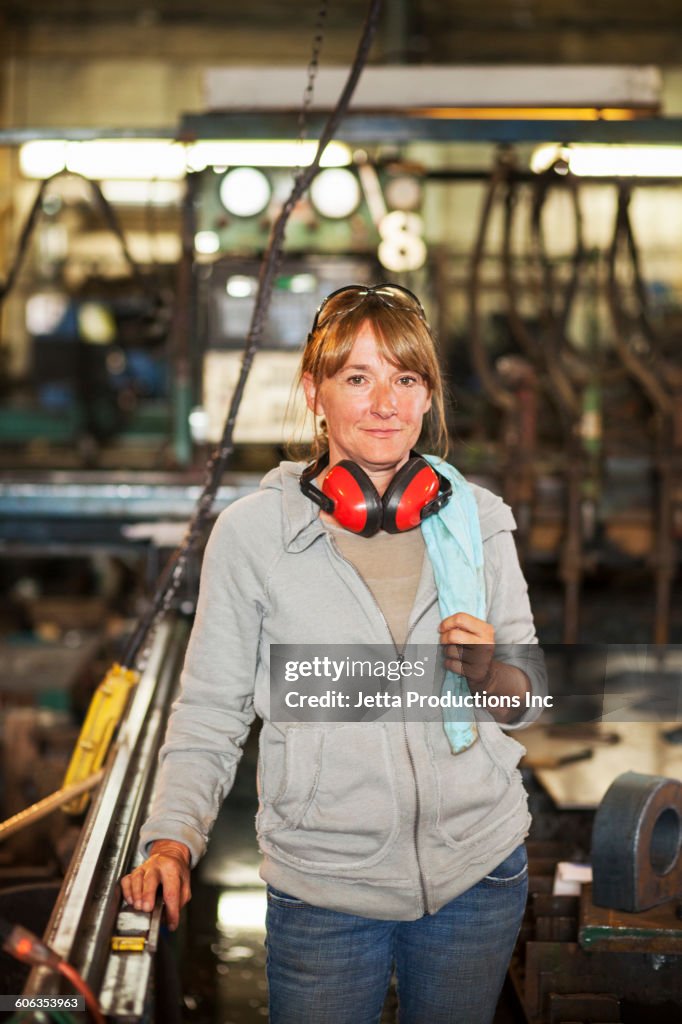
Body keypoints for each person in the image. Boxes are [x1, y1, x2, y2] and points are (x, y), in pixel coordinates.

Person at [121, 283, 545, 1024]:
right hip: (324, 891)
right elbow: (212, 710)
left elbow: (531, 700)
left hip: (477, 872)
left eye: (405, 379)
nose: (384, 402)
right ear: (315, 393)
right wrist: (172, 838)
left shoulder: (477, 519)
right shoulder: (255, 535)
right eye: (358, 378)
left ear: (428, 398)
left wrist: (491, 675)